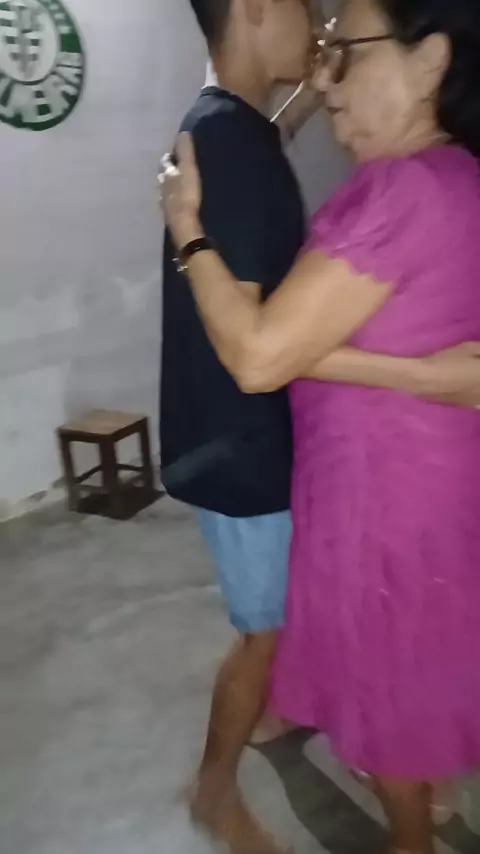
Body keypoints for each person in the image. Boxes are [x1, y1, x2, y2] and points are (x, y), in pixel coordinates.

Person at [160, 0, 480, 851]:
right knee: (332, 648)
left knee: (366, 665)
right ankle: (242, 787)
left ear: (430, 63)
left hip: (344, 475)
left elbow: (263, 351)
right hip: (319, 461)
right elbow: (273, 348)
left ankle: (395, 801)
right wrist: (425, 376)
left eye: (346, 48)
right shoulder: (449, 175)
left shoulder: (376, 184)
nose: (327, 69)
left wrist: (189, 229)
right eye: (320, 36)